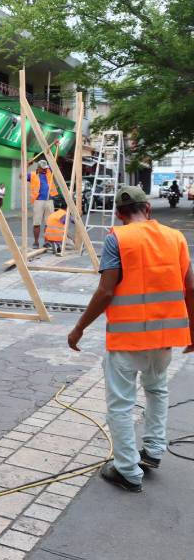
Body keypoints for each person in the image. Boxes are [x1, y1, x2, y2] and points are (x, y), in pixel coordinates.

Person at [67, 186, 194, 493]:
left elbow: (107, 290)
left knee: (121, 406)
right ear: (147, 208)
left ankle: (127, 471)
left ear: (118, 214)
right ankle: (152, 452)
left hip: (127, 340)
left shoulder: (117, 238)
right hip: (165, 338)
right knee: (157, 391)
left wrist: (80, 327)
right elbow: (191, 287)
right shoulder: (175, 238)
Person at [26, 159, 58, 249]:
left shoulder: (49, 173)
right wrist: (27, 165)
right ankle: (36, 242)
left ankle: (46, 241)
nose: (45, 170)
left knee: (49, 223)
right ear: (39, 168)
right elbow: (21, 176)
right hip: (38, 201)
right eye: (43, 168)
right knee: (37, 223)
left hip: (49, 200)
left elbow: (54, 163)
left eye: (46, 168)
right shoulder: (32, 175)